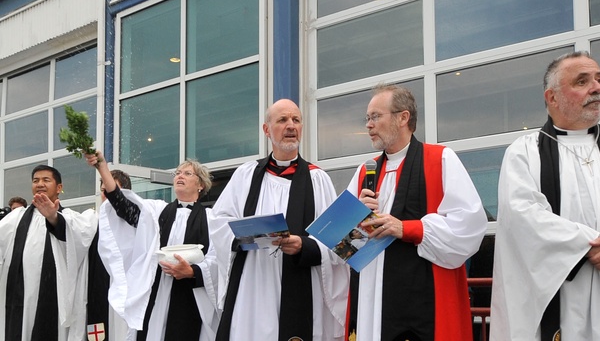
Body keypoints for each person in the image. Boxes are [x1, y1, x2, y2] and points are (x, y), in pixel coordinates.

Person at [346, 83, 487, 341]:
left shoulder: (440, 159)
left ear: (403, 117)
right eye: (367, 118)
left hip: (423, 301)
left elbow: (470, 227)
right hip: (372, 299)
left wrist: (409, 228)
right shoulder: (364, 171)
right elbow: (345, 248)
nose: (368, 125)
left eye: (376, 116)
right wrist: (356, 219)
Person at [208, 98, 349, 341]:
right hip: (252, 281)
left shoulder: (318, 179)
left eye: (296, 120)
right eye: (282, 120)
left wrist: (305, 245)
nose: (291, 125)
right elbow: (218, 222)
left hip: (300, 283)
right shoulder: (246, 174)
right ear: (266, 129)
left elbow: (337, 241)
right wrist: (246, 234)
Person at [490, 51, 600, 341]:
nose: (596, 87)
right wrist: (588, 245)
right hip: (561, 297)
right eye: (582, 81)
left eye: (598, 79)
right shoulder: (525, 152)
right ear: (552, 98)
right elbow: (523, 216)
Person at [85, 152, 219, 341]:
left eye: (188, 173)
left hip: (191, 297)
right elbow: (125, 208)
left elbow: (218, 258)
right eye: (178, 172)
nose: (180, 175)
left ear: (201, 185)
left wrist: (192, 271)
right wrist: (102, 167)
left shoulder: (212, 219)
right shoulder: (157, 211)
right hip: (157, 290)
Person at [0, 164, 97, 340]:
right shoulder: (17, 217)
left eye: (46, 180)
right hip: (20, 295)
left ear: (59, 187)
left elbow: (79, 240)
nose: (40, 184)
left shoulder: (70, 217)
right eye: (35, 180)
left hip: (53, 297)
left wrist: (53, 218)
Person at [87, 169, 132, 340]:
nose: (105, 194)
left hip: (125, 293)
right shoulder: (92, 222)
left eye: (111, 189)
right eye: (102, 189)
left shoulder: (134, 223)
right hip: (99, 290)